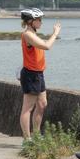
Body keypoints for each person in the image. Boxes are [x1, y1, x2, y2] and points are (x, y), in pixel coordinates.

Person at [19, 8, 61, 139]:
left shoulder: (33, 34)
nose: (41, 22)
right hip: (31, 75)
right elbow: (47, 46)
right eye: (39, 20)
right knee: (27, 108)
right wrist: (55, 33)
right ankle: (27, 139)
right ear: (31, 21)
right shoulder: (28, 35)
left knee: (42, 104)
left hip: (38, 74)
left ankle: (36, 135)